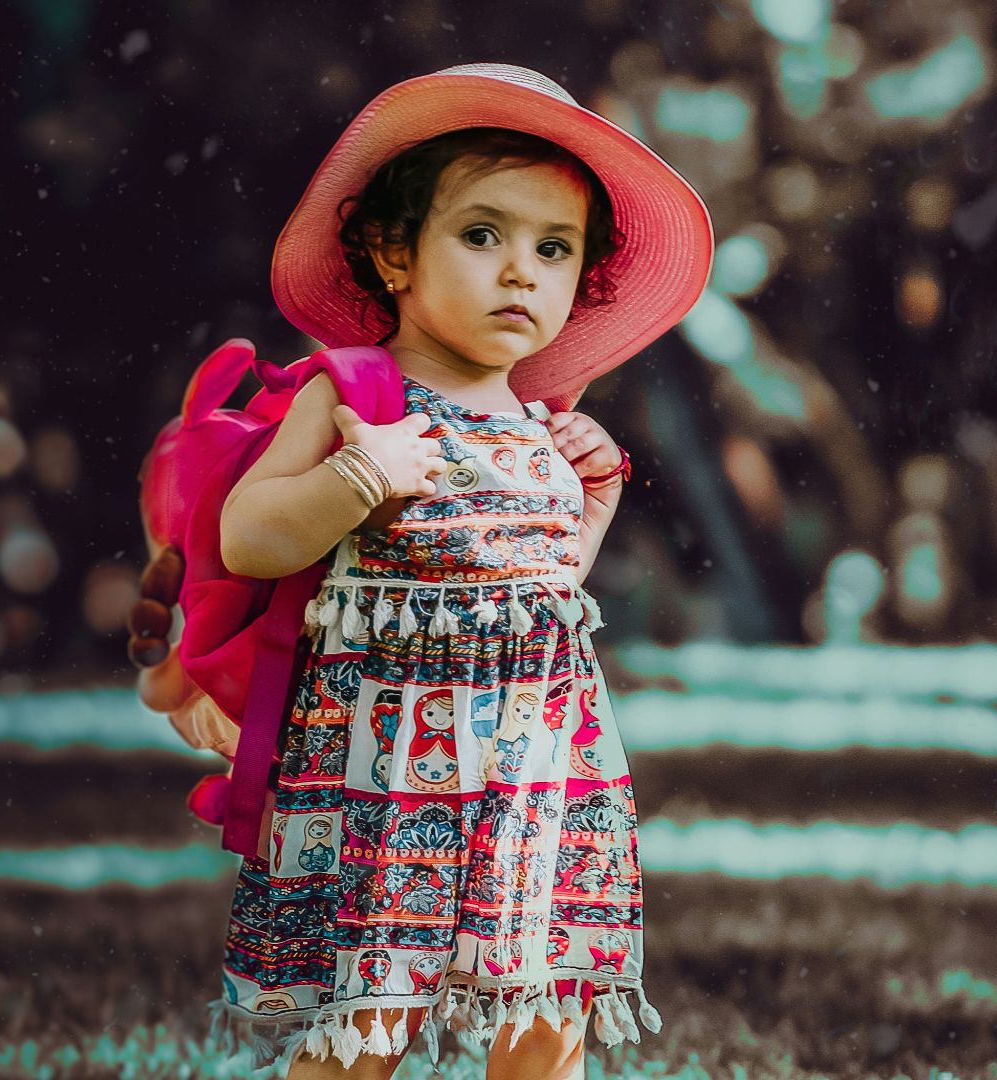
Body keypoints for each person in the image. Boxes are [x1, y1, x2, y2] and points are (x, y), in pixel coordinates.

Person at [209, 63, 712, 1079]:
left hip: (539, 765)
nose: (521, 270)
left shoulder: (544, 427)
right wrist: (357, 476)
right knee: (372, 1022)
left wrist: (596, 502)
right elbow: (246, 535)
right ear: (394, 253)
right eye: (484, 235)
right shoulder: (358, 398)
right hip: (391, 767)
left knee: (546, 1012)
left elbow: (549, 589)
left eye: (553, 247)